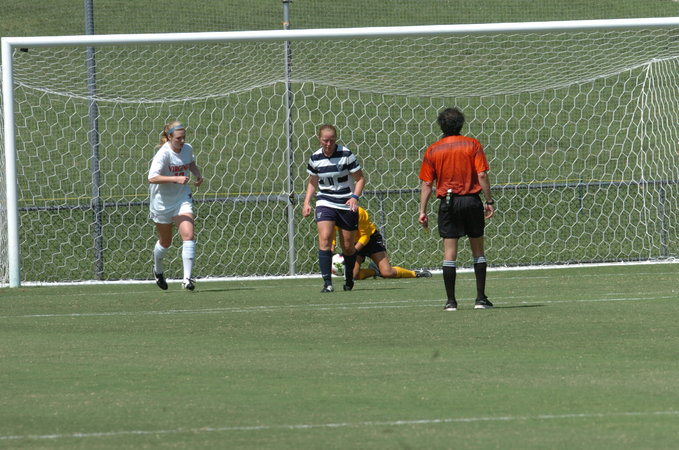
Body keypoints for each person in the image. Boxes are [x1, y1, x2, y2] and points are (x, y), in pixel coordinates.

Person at [418, 107, 495, 311]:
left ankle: (451, 301)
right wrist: (489, 200)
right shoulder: (473, 144)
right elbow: (482, 175)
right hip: (471, 201)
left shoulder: (433, 150)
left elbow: (427, 183)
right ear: (461, 124)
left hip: (448, 203)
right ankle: (480, 298)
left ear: (440, 125)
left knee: (449, 253)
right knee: (478, 250)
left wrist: (422, 210)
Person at [302, 124, 366, 293]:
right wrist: (307, 202)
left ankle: (349, 278)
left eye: (331, 140)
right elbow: (313, 181)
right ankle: (327, 283)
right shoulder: (315, 158)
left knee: (348, 246)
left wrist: (354, 197)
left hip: (346, 203)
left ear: (336, 139)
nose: (328, 144)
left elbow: (360, 179)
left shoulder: (346, 154)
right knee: (324, 239)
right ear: (319, 139)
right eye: (325, 140)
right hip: (325, 201)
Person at [148, 121, 204, 291]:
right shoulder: (163, 154)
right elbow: (152, 178)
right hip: (162, 202)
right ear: (169, 137)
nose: (182, 141)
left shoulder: (187, 148)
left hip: (181, 198)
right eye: (178, 138)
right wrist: (176, 178)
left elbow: (190, 162)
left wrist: (197, 174)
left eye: (184, 137)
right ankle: (158, 269)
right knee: (166, 242)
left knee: (188, 234)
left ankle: (187, 279)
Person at [333, 206, 432, 280]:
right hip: (354, 244)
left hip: (371, 240)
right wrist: (331, 251)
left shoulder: (359, 212)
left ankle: (415, 273)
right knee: (353, 276)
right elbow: (331, 234)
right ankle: (374, 271)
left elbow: (365, 236)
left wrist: (353, 252)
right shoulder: (334, 216)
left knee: (387, 273)